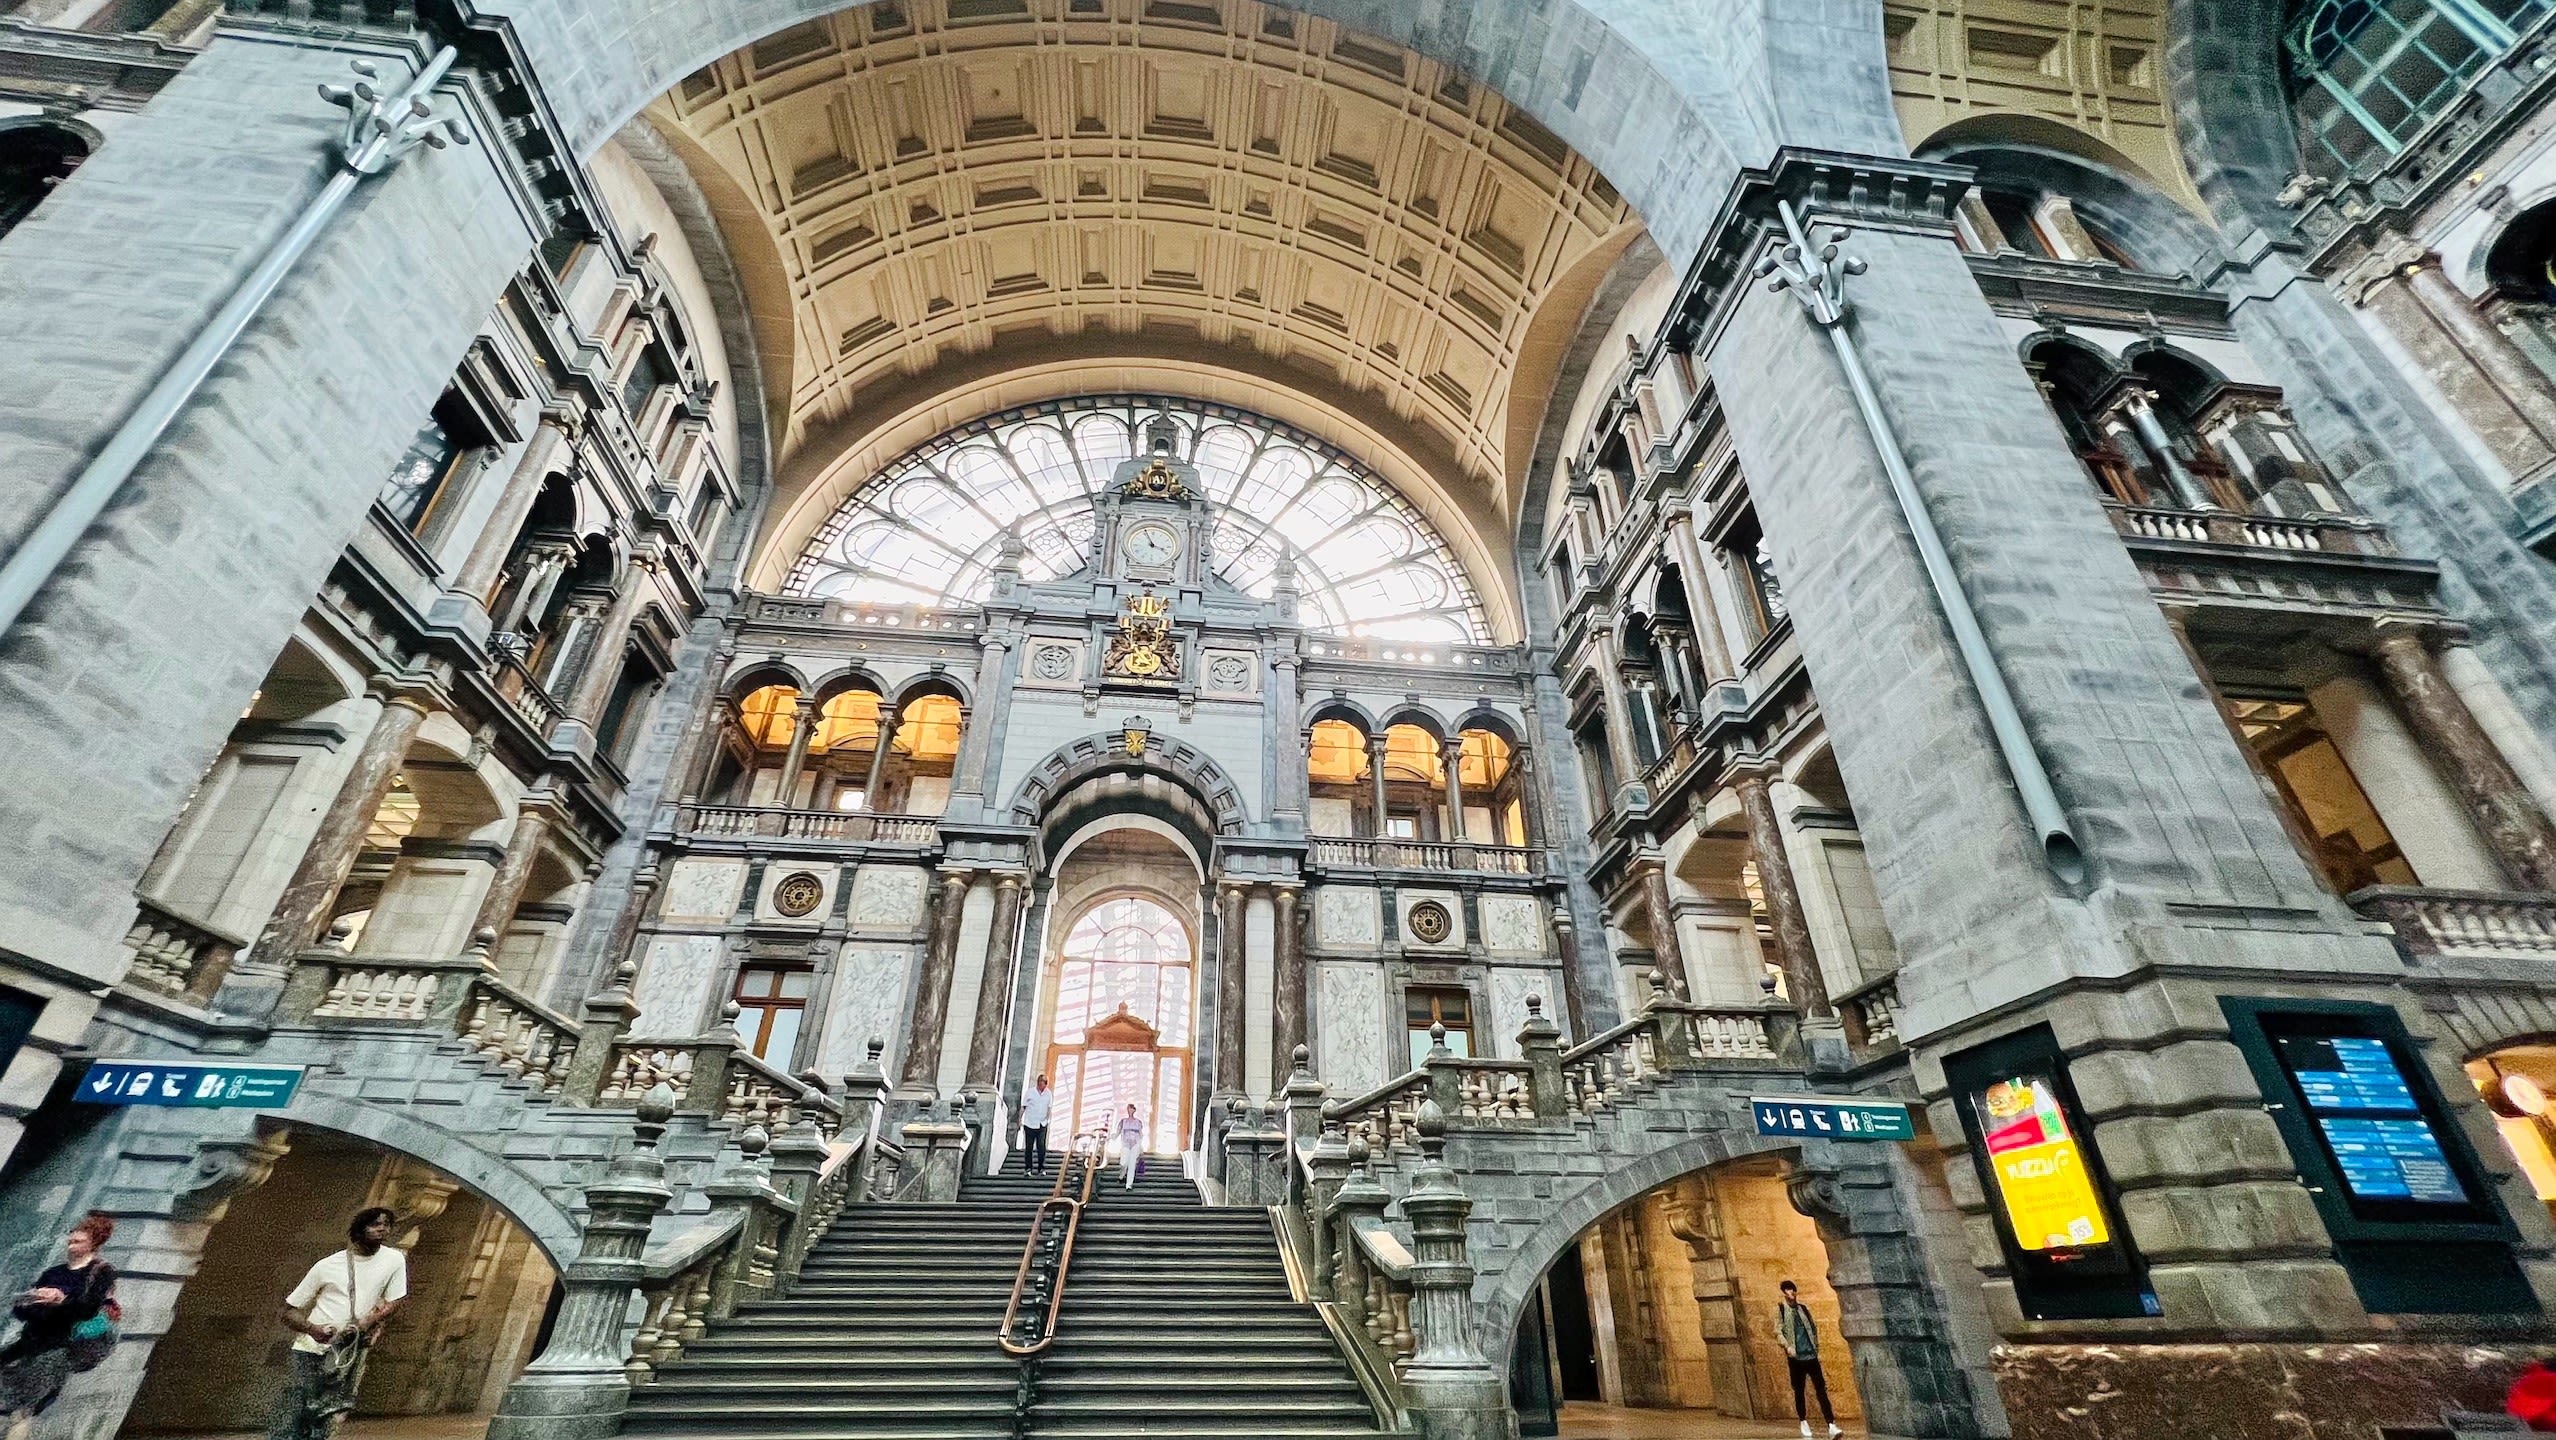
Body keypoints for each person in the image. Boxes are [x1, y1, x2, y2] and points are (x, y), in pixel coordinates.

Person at [273, 1207, 408, 1440]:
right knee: (302, 1411)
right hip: (312, 1350)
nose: (382, 1229)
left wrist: (368, 1322)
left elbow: (396, 1299)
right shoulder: (327, 1265)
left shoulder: (394, 1259)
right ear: (359, 1229)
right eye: (375, 1224)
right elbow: (288, 1312)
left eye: (386, 1224)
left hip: (350, 1349)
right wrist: (314, 1330)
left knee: (334, 1412)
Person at [0, 1211, 118, 1440]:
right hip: (32, 1341)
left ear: (93, 1243)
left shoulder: (101, 1271)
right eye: (71, 1239)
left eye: (78, 1241)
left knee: (26, 1408)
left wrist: (60, 1300)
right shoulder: (53, 1272)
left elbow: (87, 1309)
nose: (71, 1244)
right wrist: (36, 1300)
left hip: (62, 1345)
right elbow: (21, 1311)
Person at [1775, 1279, 1842, 1439]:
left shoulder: (1803, 1309)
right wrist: (1787, 1346)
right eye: (1788, 1290)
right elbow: (1778, 1331)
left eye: (1792, 1290)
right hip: (1796, 1358)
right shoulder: (1781, 1310)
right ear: (1784, 1293)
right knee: (1799, 1391)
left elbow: (1812, 1328)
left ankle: (1831, 1424)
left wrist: (1815, 1346)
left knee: (1821, 1390)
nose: (1791, 1293)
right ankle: (1803, 1421)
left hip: (1810, 1355)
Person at [1020, 1074, 1053, 1177]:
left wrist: (1048, 1119)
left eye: (1043, 1085)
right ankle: (1028, 1168)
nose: (1041, 1087)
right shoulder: (1030, 1092)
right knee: (1029, 1147)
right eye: (1040, 1084)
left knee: (1041, 1147)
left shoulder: (1048, 1094)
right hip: (1030, 1123)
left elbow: (1049, 1108)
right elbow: (1023, 1106)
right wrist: (1020, 1119)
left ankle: (1041, 1168)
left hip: (1042, 1124)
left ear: (1046, 1085)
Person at [1116, 1104, 1144, 1189]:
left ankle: (1129, 1184)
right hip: (1125, 1143)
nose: (1130, 1110)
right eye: (1129, 1109)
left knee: (1132, 1164)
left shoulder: (1138, 1122)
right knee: (1123, 1163)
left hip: (1135, 1143)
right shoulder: (1123, 1121)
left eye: (1132, 1109)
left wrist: (1141, 1146)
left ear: (1134, 1110)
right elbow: (1118, 1132)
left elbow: (1140, 1134)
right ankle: (1122, 1174)